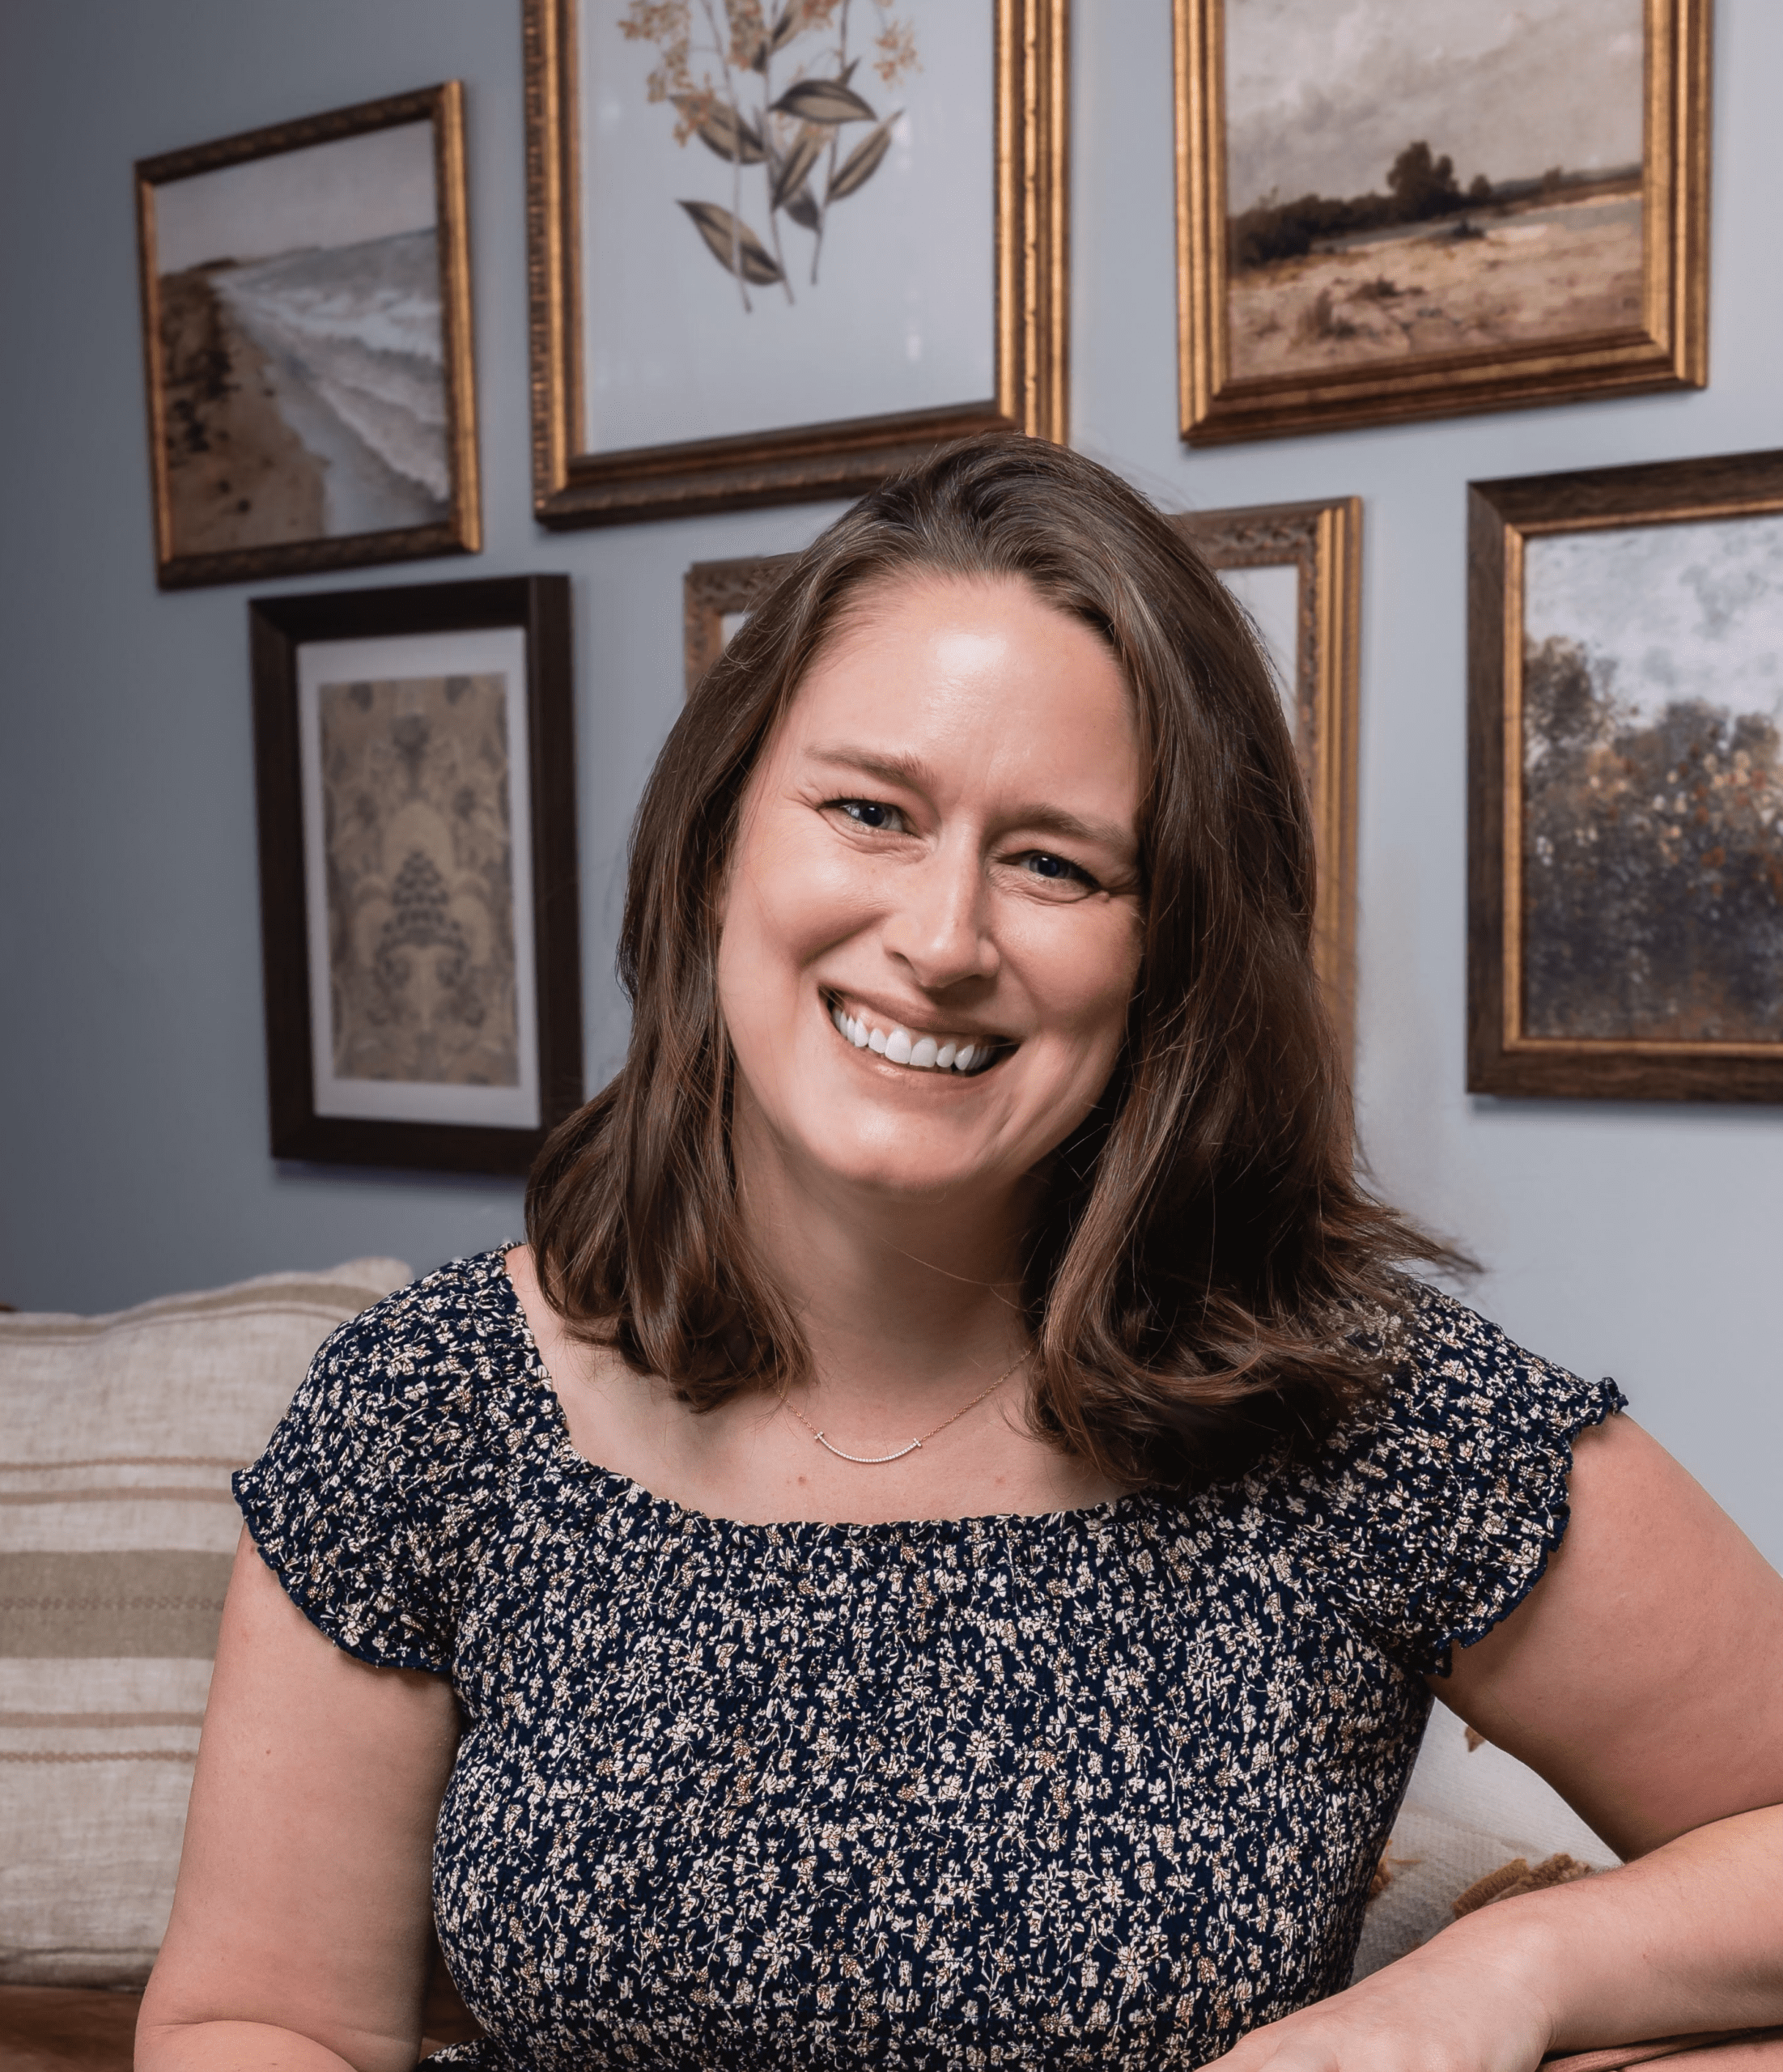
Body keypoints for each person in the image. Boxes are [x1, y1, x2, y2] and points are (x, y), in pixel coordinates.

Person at [139, 436, 1783, 2072]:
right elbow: (257, 2017)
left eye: (1057, 862)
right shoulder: (431, 1406)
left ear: (1171, 953)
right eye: (871, 809)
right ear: (719, 841)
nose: (941, 940)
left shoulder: (1358, 1410)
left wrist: (1496, 1980)